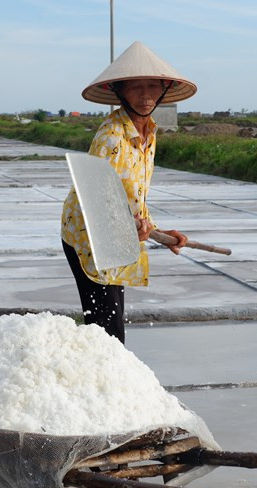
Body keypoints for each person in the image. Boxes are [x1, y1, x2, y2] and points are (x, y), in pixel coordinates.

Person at [61, 41, 194, 343]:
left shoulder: (149, 132)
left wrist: (157, 231)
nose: (146, 95)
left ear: (164, 89)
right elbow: (95, 198)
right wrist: (133, 226)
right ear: (119, 91)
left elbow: (133, 196)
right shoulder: (111, 136)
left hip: (118, 235)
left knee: (111, 323)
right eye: (136, 87)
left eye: (153, 86)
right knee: (107, 331)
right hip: (89, 237)